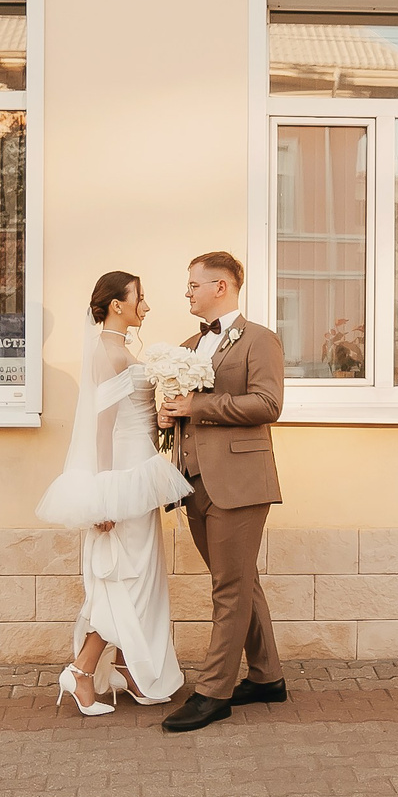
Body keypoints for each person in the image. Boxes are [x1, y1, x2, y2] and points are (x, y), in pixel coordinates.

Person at [34, 272, 189, 716]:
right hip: (123, 476)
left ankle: (127, 669)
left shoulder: (119, 348)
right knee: (126, 577)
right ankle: (82, 670)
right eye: (141, 297)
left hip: (139, 469)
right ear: (118, 305)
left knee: (139, 576)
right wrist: (104, 497)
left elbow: (133, 413)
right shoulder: (107, 351)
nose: (147, 305)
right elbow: (102, 429)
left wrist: (164, 415)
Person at [153, 252, 285, 734]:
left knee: (228, 589)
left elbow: (268, 404)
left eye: (195, 284)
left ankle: (214, 692)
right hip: (194, 482)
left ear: (222, 287)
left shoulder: (260, 339)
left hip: (240, 483)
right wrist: (167, 416)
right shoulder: (190, 345)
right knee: (241, 581)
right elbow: (183, 412)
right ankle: (267, 678)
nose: (187, 292)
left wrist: (199, 406)